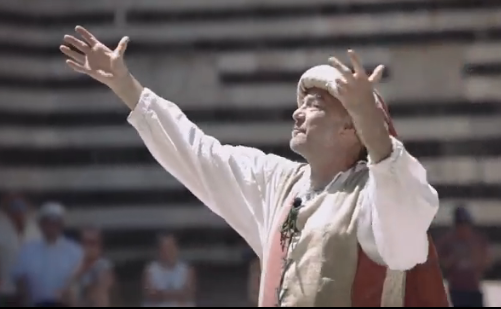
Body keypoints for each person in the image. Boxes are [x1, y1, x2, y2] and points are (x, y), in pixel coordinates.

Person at [60, 26, 449, 306]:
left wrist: (375, 129)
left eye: (314, 105)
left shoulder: (373, 196)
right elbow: (199, 154)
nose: (298, 113)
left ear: (351, 126)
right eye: (301, 103)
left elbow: (405, 225)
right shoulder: (278, 183)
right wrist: (127, 87)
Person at [12, 202, 83, 307]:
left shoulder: (74, 251)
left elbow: (79, 279)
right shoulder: (27, 250)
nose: (51, 227)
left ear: (62, 225)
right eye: (47, 223)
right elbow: (19, 277)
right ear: (40, 225)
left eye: (55, 223)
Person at [437, 205, 490, 307]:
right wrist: (452, 259)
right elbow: (440, 261)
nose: (463, 228)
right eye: (460, 225)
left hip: (473, 288)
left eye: (465, 224)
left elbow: (486, 260)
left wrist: (476, 259)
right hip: (457, 289)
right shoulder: (449, 241)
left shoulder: (477, 240)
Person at [0, 194, 41, 307]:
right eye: (14, 207)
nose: (18, 212)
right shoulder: (1, 229)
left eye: (21, 207)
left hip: (31, 289)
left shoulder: (35, 230)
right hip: (6, 288)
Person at [143, 233, 196, 307]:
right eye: (165, 248)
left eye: (171, 248)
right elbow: (150, 294)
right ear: (159, 251)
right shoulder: (150, 270)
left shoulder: (187, 270)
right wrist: (178, 294)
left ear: (176, 249)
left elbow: (188, 294)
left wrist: (161, 294)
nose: (168, 252)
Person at [66, 227, 115, 307]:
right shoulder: (74, 266)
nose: (88, 247)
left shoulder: (103, 266)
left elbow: (98, 296)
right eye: (84, 242)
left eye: (92, 243)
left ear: (100, 245)